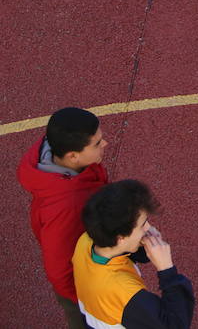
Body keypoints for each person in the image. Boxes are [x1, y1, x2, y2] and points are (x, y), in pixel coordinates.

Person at [18, 107, 110, 328]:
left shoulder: (58, 152)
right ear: (73, 156)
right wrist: (86, 301)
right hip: (82, 293)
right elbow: (59, 269)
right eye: (97, 143)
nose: (104, 144)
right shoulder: (67, 206)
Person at [72, 179, 194, 329]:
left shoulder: (86, 241)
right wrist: (167, 270)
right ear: (121, 238)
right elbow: (176, 325)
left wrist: (142, 243)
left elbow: (127, 253)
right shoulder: (124, 292)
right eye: (143, 224)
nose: (148, 227)